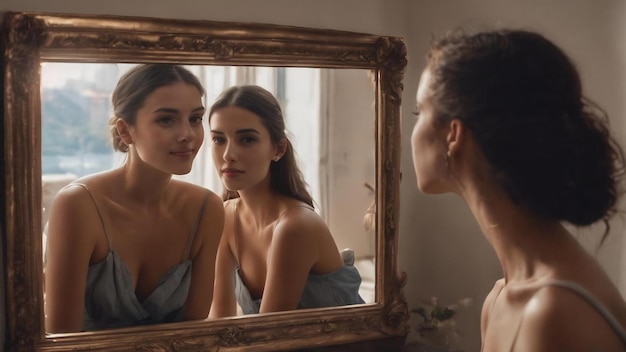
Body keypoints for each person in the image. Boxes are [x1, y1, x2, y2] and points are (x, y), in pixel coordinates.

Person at [411, 29, 626, 351]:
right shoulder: (500, 298)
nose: (412, 131)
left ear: (453, 135)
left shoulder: (556, 312)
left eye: (419, 112)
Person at [44, 64, 225, 333]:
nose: (187, 134)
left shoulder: (206, 209)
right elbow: (62, 338)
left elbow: (194, 334)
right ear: (126, 131)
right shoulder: (78, 206)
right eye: (166, 119)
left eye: (195, 119)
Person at [208, 85, 364, 317]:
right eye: (219, 139)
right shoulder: (226, 216)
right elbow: (219, 318)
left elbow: (269, 335)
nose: (228, 154)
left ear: (278, 149)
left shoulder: (295, 226)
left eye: (247, 139)